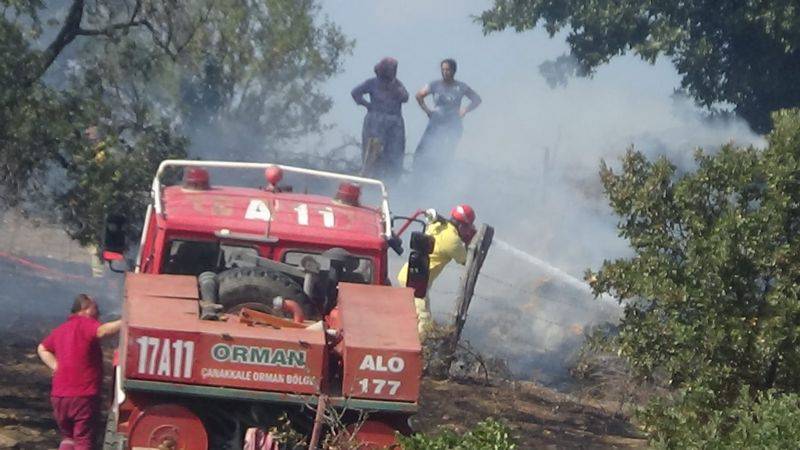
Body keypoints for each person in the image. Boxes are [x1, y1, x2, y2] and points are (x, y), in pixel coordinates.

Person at [37, 294, 122, 450]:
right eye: (96, 308)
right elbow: (103, 331)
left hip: (59, 396)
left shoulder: (60, 329)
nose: (99, 312)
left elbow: (42, 348)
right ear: (85, 309)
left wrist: (56, 366)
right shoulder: (86, 324)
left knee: (68, 438)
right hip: (83, 396)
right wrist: (126, 322)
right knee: (83, 439)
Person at [397, 204, 477, 338]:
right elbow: (466, 261)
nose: (469, 231)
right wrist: (469, 242)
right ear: (462, 226)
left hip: (409, 275)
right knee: (424, 323)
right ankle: (421, 352)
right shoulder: (453, 241)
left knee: (412, 316)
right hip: (416, 284)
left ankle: (406, 337)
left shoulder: (438, 226)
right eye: (468, 228)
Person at [413, 59, 482, 172]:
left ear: (453, 71)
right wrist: (427, 111)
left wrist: (465, 109)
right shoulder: (435, 85)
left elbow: (477, 99)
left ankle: (442, 174)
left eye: (448, 70)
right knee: (423, 149)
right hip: (436, 122)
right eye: (443, 70)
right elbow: (419, 95)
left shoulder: (461, 86)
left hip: (453, 123)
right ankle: (417, 173)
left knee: (446, 152)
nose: (445, 72)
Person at [351, 57, 409, 183]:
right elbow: (355, 93)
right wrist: (367, 105)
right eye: (392, 69)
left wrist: (395, 85)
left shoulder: (397, 84)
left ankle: (391, 184)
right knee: (372, 155)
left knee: (394, 156)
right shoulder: (372, 83)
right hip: (375, 122)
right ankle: (368, 183)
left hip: (394, 123)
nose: (394, 71)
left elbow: (405, 97)